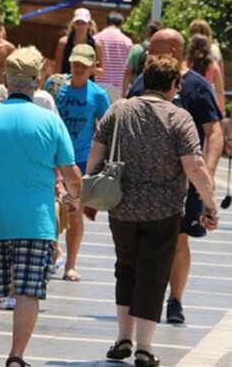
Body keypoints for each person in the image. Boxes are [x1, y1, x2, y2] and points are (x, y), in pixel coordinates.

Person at [0, 46, 82, 367]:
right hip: (36, 224)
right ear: (36, 82)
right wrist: (74, 199)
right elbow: (71, 174)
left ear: (6, 79)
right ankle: (17, 356)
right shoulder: (50, 121)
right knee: (29, 292)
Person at [88, 54, 218, 367]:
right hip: (164, 210)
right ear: (174, 85)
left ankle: (123, 339)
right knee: (153, 274)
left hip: (121, 206)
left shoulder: (118, 109)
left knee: (126, 269)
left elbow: (96, 152)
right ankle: (144, 348)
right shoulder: (179, 117)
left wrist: (87, 197)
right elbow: (194, 165)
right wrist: (210, 204)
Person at [127, 28, 223, 325]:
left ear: (172, 52)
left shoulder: (196, 87)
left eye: (153, 50)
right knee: (143, 244)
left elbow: (214, 131)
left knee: (180, 239)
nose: (147, 55)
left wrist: (206, 172)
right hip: (143, 181)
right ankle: (144, 300)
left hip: (184, 181)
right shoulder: (142, 83)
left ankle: (175, 300)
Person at [55, 44, 111, 282]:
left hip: (79, 161)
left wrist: (102, 164)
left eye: (83, 65)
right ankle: (52, 253)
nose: (77, 68)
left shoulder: (98, 95)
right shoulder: (55, 86)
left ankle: (70, 264)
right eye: (74, 63)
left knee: (74, 213)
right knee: (49, 210)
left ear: (92, 68)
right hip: (51, 158)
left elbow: (108, 127)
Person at [54, 8, 104, 79]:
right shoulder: (63, 43)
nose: (80, 26)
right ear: (73, 24)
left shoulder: (96, 45)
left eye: (83, 23)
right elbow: (57, 68)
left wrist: (93, 70)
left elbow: (101, 73)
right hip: (66, 84)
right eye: (77, 23)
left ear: (89, 24)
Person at [94, 11, 132, 101]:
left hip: (99, 83)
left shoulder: (96, 38)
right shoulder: (127, 41)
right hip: (118, 86)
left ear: (107, 22)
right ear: (121, 23)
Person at [122, 20, 162, 97]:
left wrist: (124, 94)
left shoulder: (137, 48)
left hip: (138, 90)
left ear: (147, 32)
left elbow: (128, 72)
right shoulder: (162, 49)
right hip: (158, 92)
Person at [186, 34, 225, 111]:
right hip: (206, 103)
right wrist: (221, 110)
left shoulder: (186, 64)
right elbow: (219, 90)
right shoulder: (213, 65)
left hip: (189, 102)